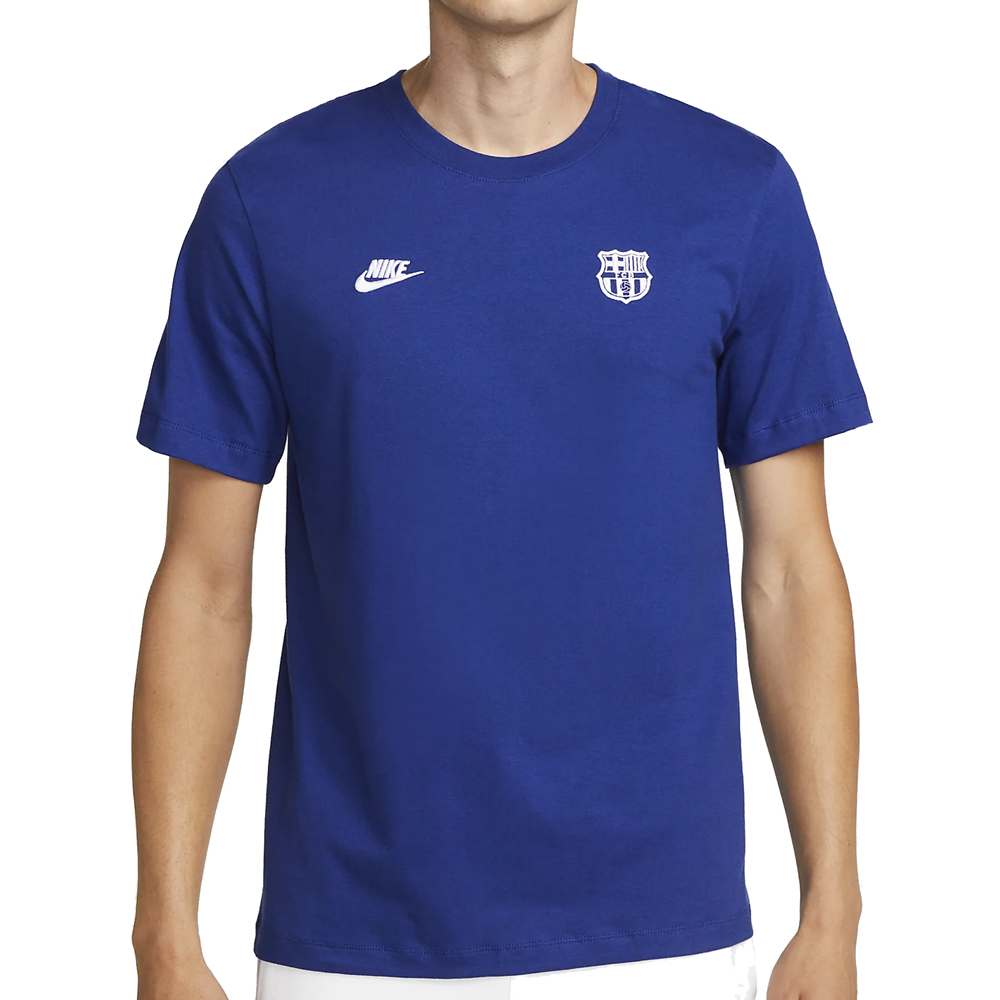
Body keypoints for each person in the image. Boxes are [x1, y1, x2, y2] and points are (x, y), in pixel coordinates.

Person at [130, 2, 871, 998]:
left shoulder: (734, 192)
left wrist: (833, 912)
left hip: (658, 934)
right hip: (355, 938)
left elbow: (791, 569)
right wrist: (164, 937)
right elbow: (204, 585)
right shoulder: (269, 200)